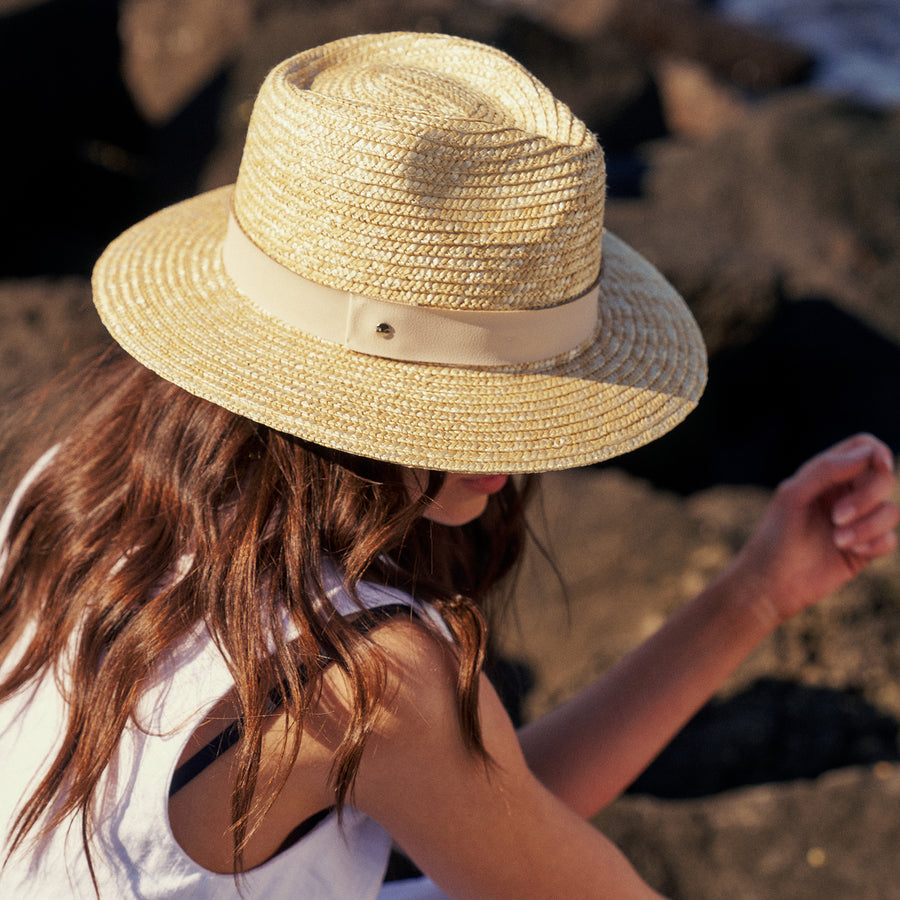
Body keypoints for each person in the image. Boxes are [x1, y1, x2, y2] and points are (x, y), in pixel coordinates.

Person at [0, 31, 896, 900]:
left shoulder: (87, 486)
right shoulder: (371, 677)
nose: (523, 445)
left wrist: (759, 593)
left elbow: (484, 818)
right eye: (494, 401)